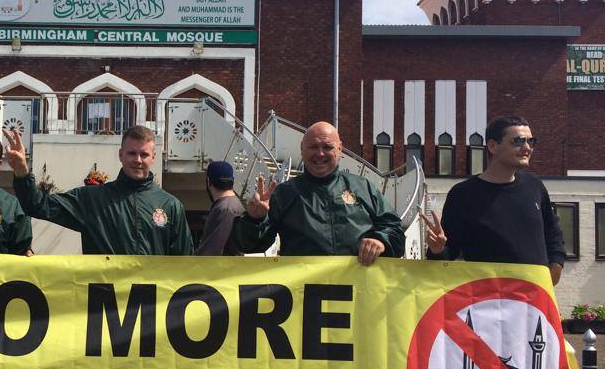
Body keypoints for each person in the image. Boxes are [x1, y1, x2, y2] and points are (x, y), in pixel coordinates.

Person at [232, 121, 404, 264]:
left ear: (340, 149)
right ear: (302, 149)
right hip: (303, 297)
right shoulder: (285, 193)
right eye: (313, 147)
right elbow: (248, 245)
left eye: (327, 147)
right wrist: (254, 220)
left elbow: (395, 231)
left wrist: (381, 240)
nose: (320, 153)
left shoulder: (363, 188)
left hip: (358, 295)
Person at [5, 125, 193, 255]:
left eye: (144, 154)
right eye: (131, 153)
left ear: (153, 157)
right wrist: (22, 173)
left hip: (152, 308)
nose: (138, 160)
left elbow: (184, 261)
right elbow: (37, 205)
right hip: (104, 305)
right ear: (121, 155)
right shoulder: (91, 200)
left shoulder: (170, 205)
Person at [423, 115, 565, 284]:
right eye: (518, 141)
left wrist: (555, 268)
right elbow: (449, 253)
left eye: (531, 141)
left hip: (534, 300)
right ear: (492, 146)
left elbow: (553, 233)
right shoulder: (463, 194)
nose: (527, 148)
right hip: (486, 301)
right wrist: (437, 250)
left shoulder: (534, 185)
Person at [197, 160, 244, 256]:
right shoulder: (234, 204)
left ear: (208, 181)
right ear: (232, 181)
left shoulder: (225, 209)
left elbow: (211, 251)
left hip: (223, 270)